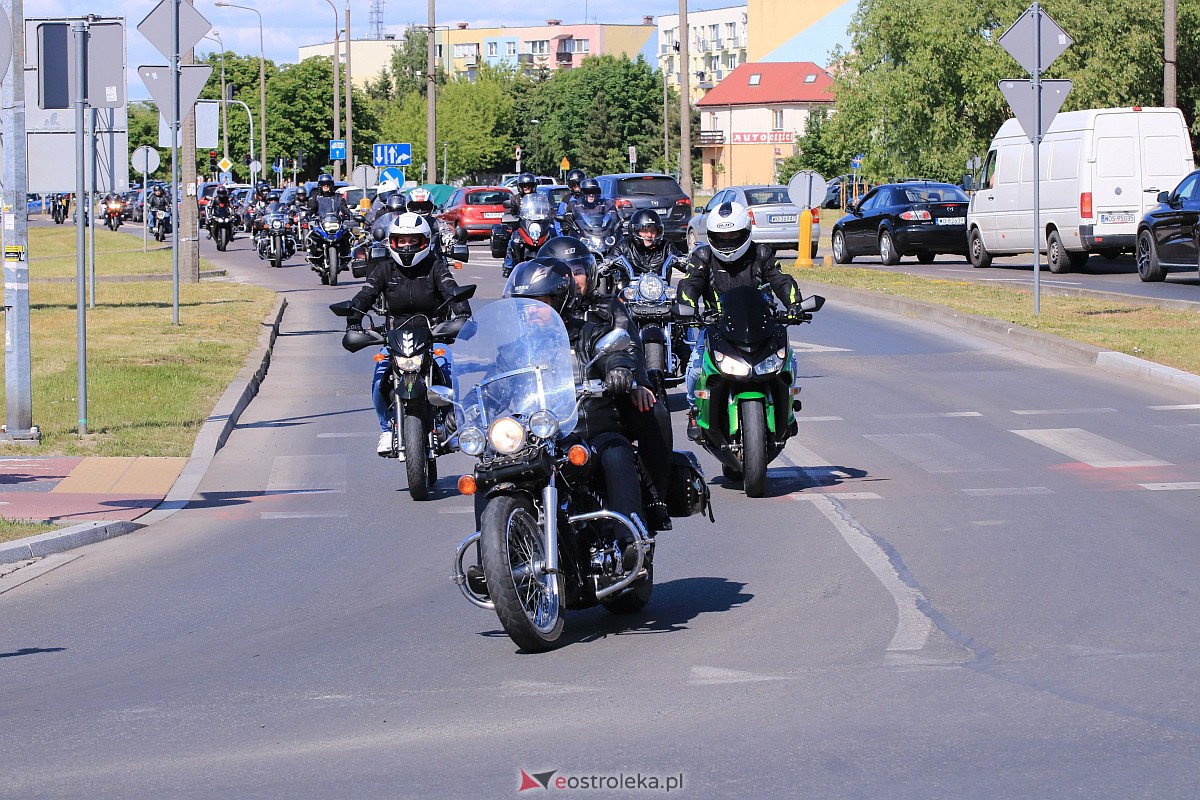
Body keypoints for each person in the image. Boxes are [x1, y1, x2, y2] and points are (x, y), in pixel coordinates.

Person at [504, 255, 650, 538]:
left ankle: (630, 538)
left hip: (588, 429)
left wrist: (619, 369)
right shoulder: (513, 347)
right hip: (532, 439)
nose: (531, 311)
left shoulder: (587, 333)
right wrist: (464, 408)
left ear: (559, 299)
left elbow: (613, 353)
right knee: (489, 473)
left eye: (540, 302)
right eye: (526, 305)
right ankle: (489, 560)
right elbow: (492, 380)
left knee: (617, 453)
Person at [541, 235, 675, 531]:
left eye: (577, 271)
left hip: (607, 395)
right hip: (550, 410)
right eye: (563, 272)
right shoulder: (539, 316)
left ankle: (655, 499)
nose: (572, 279)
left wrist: (635, 381)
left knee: (654, 412)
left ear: (589, 273)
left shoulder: (608, 306)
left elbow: (627, 347)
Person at [346, 213, 472, 457]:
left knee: (450, 370)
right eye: (401, 241)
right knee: (379, 377)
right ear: (392, 242)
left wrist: (462, 314)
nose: (406, 246)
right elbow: (367, 293)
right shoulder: (384, 269)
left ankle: (450, 424)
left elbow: (451, 290)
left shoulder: (435, 266)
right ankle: (386, 429)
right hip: (395, 338)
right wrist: (354, 318)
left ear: (423, 242)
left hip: (434, 335)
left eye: (412, 241)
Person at [677, 200, 803, 438]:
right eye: (721, 236)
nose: (727, 242)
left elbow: (781, 280)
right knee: (695, 367)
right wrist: (687, 307)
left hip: (762, 325)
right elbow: (690, 284)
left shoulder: (762, 254)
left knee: (790, 362)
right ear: (712, 236)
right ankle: (695, 409)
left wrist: (795, 305)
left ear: (746, 232)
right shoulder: (702, 257)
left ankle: (788, 411)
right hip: (716, 326)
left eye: (734, 235)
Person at [607, 208, 682, 278]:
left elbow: (680, 259)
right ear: (635, 231)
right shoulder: (624, 246)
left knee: (685, 285)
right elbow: (610, 259)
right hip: (630, 289)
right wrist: (606, 263)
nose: (649, 235)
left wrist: (687, 262)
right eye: (644, 231)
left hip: (659, 288)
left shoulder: (666, 246)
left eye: (653, 231)